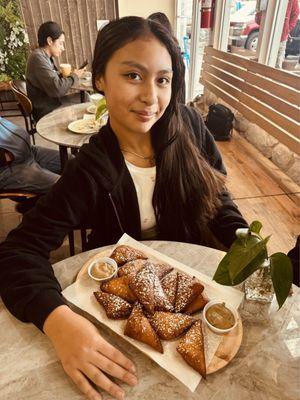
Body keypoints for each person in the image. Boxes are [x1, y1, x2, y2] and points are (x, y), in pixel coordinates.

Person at [0, 17, 249, 400]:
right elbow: (17, 252)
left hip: (197, 294)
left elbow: (219, 199)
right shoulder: (90, 169)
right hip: (126, 307)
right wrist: (59, 322)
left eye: (163, 80)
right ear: (99, 78)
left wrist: (243, 244)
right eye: (133, 76)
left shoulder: (189, 128)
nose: (151, 97)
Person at [26, 21, 86, 121]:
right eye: (60, 43)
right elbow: (57, 89)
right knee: (85, 102)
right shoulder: (38, 58)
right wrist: (74, 76)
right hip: (46, 109)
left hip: (52, 102)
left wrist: (64, 74)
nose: (63, 48)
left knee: (86, 97)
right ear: (50, 41)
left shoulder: (44, 56)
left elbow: (52, 80)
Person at [0, 117, 61, 193]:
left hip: (27, 151)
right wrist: (7, 156)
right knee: (63, 185)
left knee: (71, 162)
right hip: (7, 168)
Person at [255, 0, 299, 68]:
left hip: (281, 37)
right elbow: (258, 20)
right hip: (265, 36)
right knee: (261, 62)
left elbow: (295, 15)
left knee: (277, 64)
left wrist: (287, 29)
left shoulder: (292, 1)